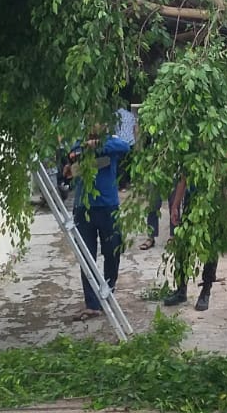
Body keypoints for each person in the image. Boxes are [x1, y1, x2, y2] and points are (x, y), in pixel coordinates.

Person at [69, 126, 132, 321]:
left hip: (108, 206)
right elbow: (73, 154)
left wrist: (98, 145)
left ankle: (108, 291)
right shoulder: (79, 141)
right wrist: (85, 149)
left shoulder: (111, 141)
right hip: (84, 207)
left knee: (112, 251)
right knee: (86, 255)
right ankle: (92, 304)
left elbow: (125, 147)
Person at [162, 172, 219, 311]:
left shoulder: (222, 152)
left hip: (214, 203)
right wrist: (175, 205)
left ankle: (206, 291)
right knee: (183, 246)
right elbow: (184, 178)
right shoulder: (192, 152)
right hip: (191, 200)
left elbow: (225, 179)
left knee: (211, 248)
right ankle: (181, 290)